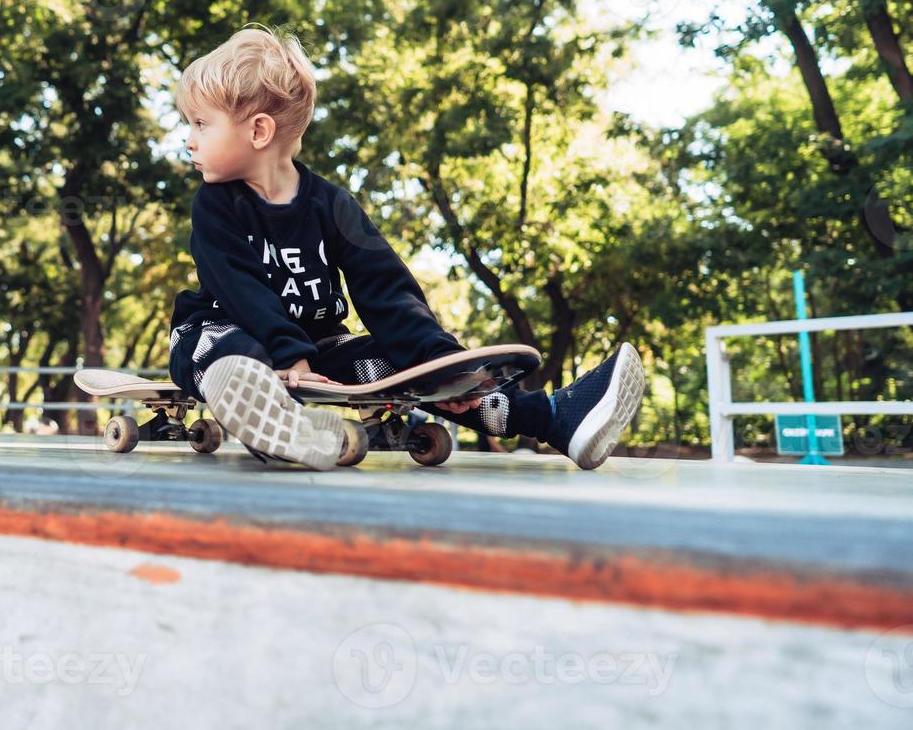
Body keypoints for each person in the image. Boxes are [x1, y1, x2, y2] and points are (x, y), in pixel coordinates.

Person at [168, 24, 645, 471]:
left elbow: (386, 288)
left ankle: (555, 418)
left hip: (318, 348)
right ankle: (283, 423)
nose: (189, 141)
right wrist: (290, 360)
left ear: (257, 131)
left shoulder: (332, 206)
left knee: (395, 365)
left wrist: (439, 364)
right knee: (230, 350)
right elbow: (240, 289)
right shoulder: (215, 205)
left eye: (200, 124)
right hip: (220, 330)